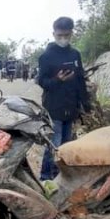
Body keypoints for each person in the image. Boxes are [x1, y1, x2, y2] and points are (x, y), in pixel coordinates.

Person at [38, 17, 92, 181]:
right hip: (54, 107)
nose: (63, 39)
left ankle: (61, 177)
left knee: (67, 144)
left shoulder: (75, 54)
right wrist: (57, 80)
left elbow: (80, 80)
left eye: (66, 35)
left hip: (71, 106)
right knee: (54, 144)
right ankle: (46, 177)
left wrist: (85, 104)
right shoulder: (46, 56)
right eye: (59, 35)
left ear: (71, 34)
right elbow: (42, 81)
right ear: (53, 33)